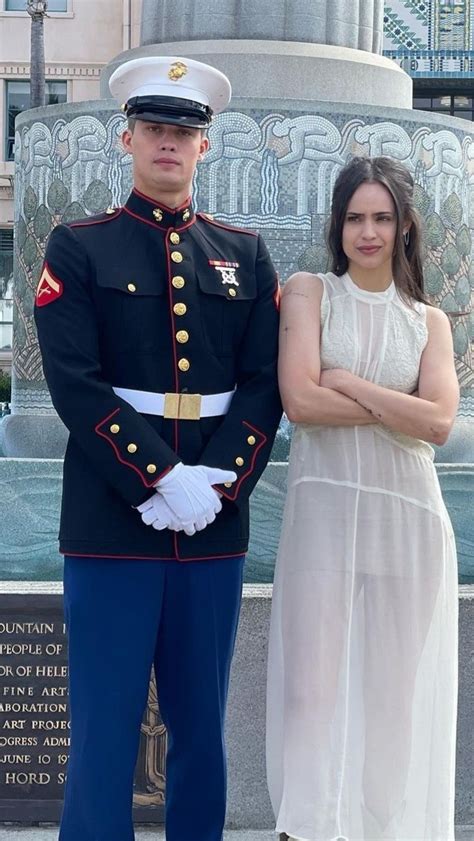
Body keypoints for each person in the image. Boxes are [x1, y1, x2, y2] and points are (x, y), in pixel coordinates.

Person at [34, 55, 281, 841]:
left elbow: (265, 382)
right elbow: (74, 382)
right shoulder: (78, 247)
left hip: (212, 529)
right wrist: (159, 476)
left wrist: (220, 485)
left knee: (201, 735)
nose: (168, 144)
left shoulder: (246, 255)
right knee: (103, 732)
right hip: (112, 521)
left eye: (184, 132)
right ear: (127, 138)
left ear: (205, 147)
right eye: (155, 129)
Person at [266, 156, 459, 841]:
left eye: (382, 217)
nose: (368, 231)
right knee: (312, 692)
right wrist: (397, 406)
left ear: (404, 226)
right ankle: (309, 828)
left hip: (408, 519)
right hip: (323, 515)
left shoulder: (429, 321)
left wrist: (350, 381)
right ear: (337, 225)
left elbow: (438, 423)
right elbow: (301, 401)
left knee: (391, 702)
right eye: (355, 217)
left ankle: (386, 829)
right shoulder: (309, 292)